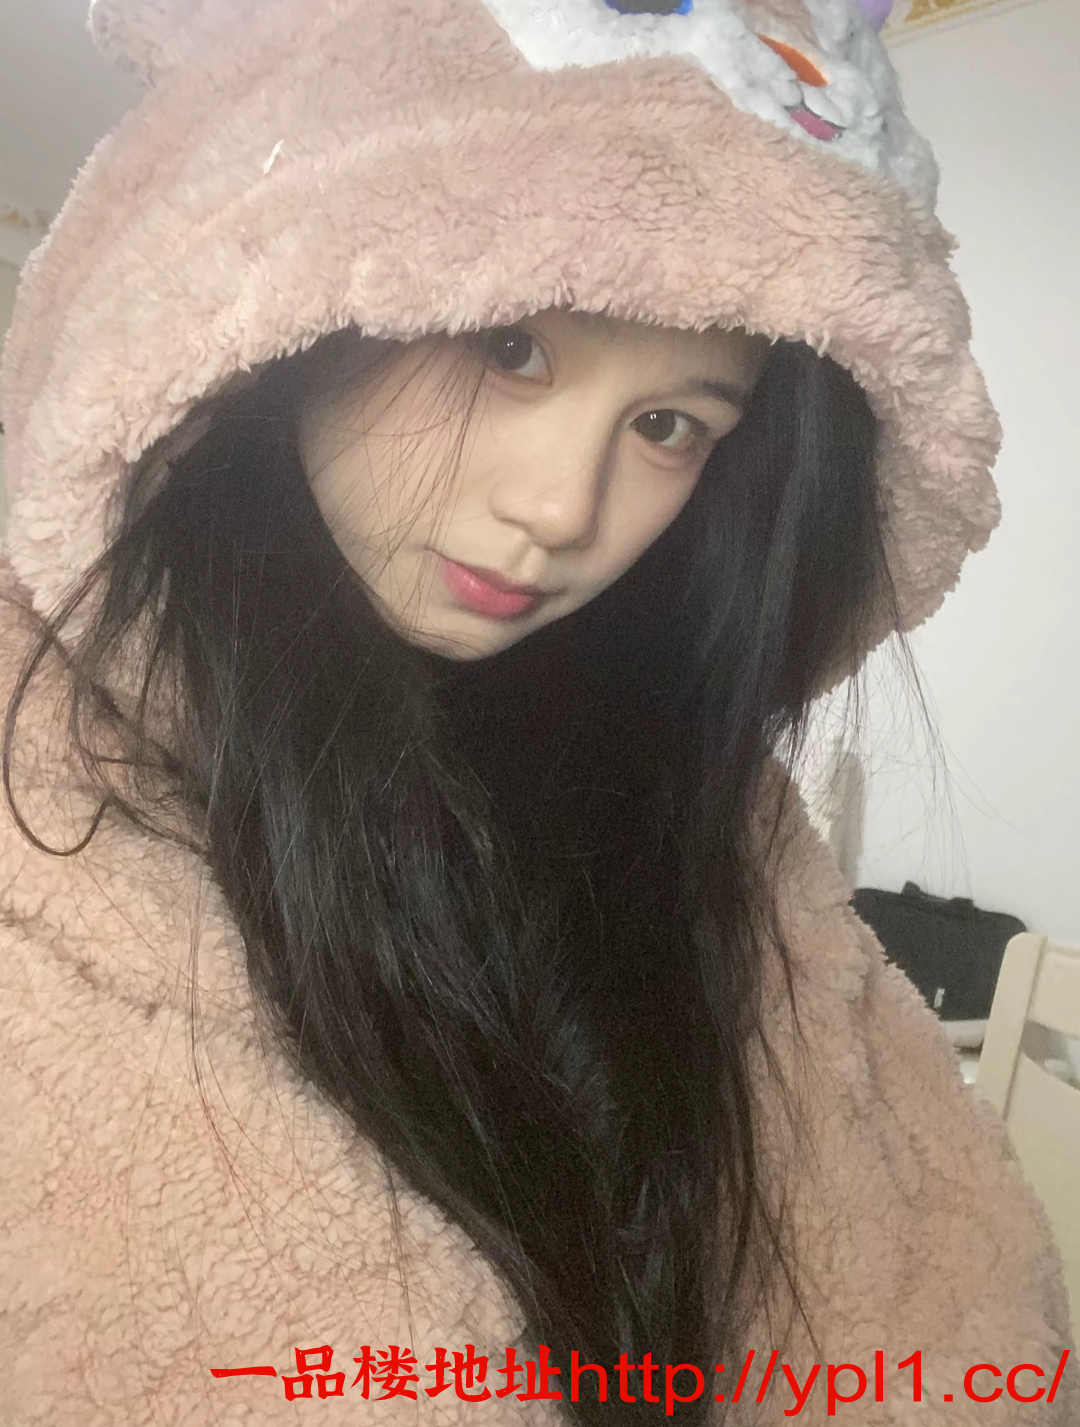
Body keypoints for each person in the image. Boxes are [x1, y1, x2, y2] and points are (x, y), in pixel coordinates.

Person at [0, 0, 1074, 1423]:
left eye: (670, 425)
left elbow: (930, 1299)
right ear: (291, 318)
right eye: (510, 348)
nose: (564, 511)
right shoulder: (44, 817)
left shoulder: (707, 817)